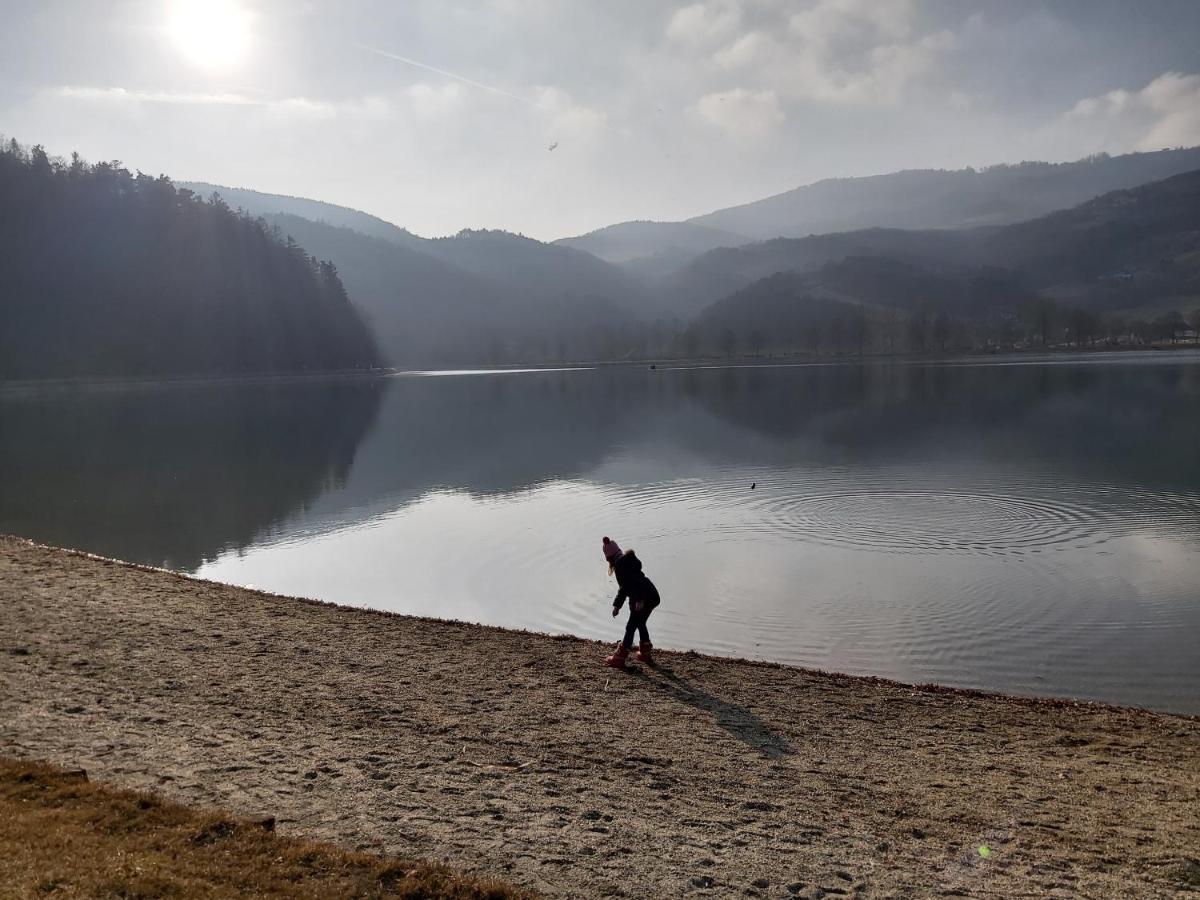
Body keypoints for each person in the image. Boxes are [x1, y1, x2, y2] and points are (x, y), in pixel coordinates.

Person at [602, 536, 661, 668]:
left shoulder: (621, 566)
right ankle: (645, 654)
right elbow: (626, 587)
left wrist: (639, 600)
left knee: (631, 626)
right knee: (640, 623)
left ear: (609, 557)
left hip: (642, 598)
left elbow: (633, 584)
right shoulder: (627, 562)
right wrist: (617, 605)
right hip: (652, 595)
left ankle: (620, 657)